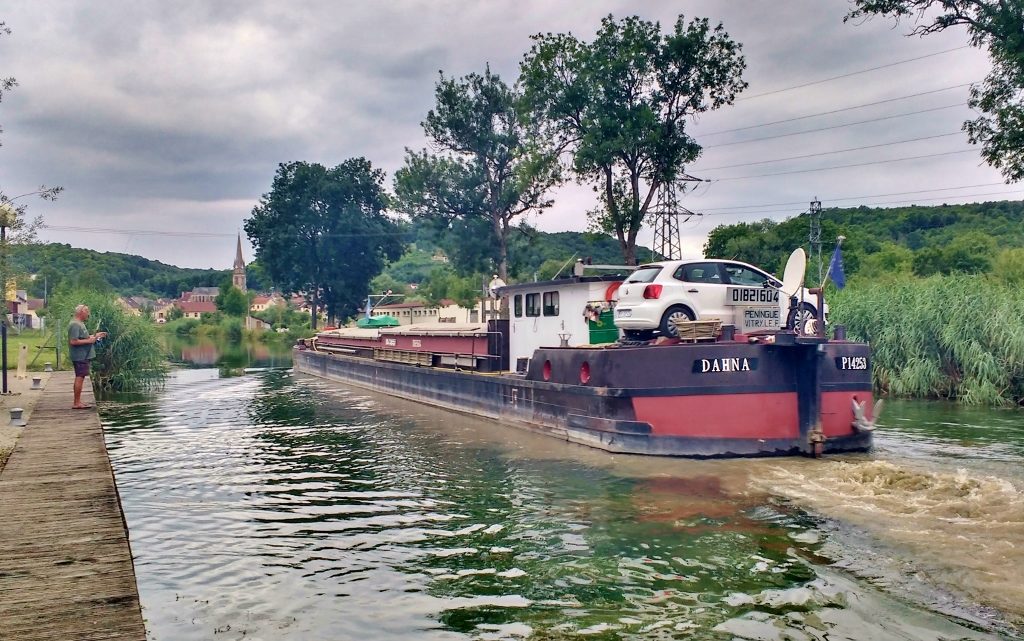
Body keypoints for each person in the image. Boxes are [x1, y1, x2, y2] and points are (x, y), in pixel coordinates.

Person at [67, 304, 107, 409]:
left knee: (81, 377)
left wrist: (95, 336)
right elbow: (73, 341)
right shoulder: (75, 324)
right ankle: (76, 403)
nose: (88, 314)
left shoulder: (80, 324)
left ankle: (78, 401)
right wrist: (89, 340)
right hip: (79, 356)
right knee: (79, 377)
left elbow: (82, 338)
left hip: (83, 356)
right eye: (87, 311)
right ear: (81, 312)